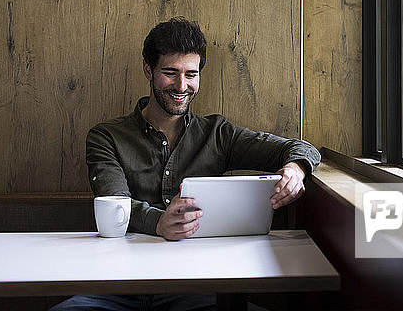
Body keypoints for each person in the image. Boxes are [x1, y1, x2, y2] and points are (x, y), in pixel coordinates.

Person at [49, 17, 321, 311]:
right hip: (117, 284)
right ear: (148, 70)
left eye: (191, 74)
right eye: (170, 72)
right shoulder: (107, 137)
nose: (182, 85)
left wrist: (296, 168)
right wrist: (159, 223)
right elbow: (115, 204)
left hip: (195, 288)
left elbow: (302, 149)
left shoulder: (218, 134)